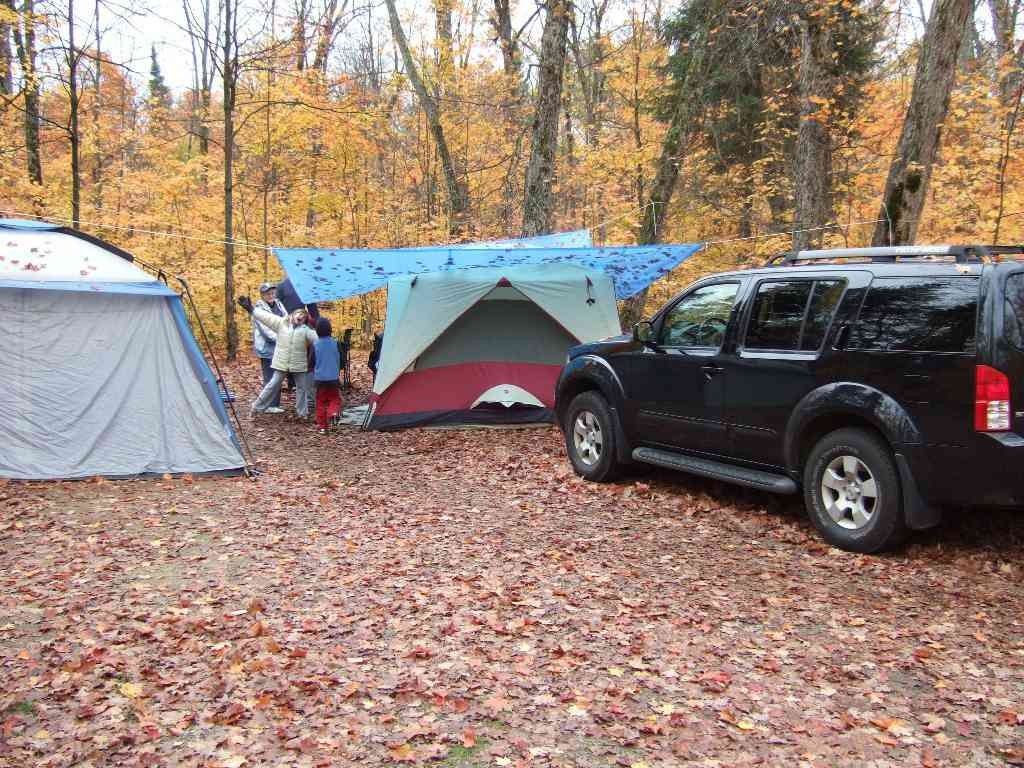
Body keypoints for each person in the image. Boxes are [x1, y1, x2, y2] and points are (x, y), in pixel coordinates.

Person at [239, 297, 317, 418]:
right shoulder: (282, 323)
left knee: (302, 388)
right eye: (298, 314)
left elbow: (318, 339)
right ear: (292, 315)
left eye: (303, 316)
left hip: (298, 365)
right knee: (272, 385)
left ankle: (302, 414)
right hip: (282, 363)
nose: (300, 317)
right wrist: (251, 309)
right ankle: (256, 408)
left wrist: (326, 340)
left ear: (304, 321)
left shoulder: (306, 330)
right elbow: (266, 317)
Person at [251, 282, 287, 413]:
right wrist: (282, 337)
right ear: (262, 295)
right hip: (267, 348)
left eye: (272, 293)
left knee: (278, 374)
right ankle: (269, 405)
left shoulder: (279, 304)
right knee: (270, 376)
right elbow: (265, 331)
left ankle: (274, 404)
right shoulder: (258, 309)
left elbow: (286, 320)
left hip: (279, 346)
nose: (271, 295)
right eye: (268, 294)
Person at [312, 318, 343, 434]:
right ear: (330, 329)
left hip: (320, 379)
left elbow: (311, 361)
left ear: (317, 330)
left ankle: (322, 427)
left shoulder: (315, 345)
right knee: (335, 398)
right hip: (333, 378)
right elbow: (342, 359)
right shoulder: (336, 343)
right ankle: (333, 413)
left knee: (320, 402)